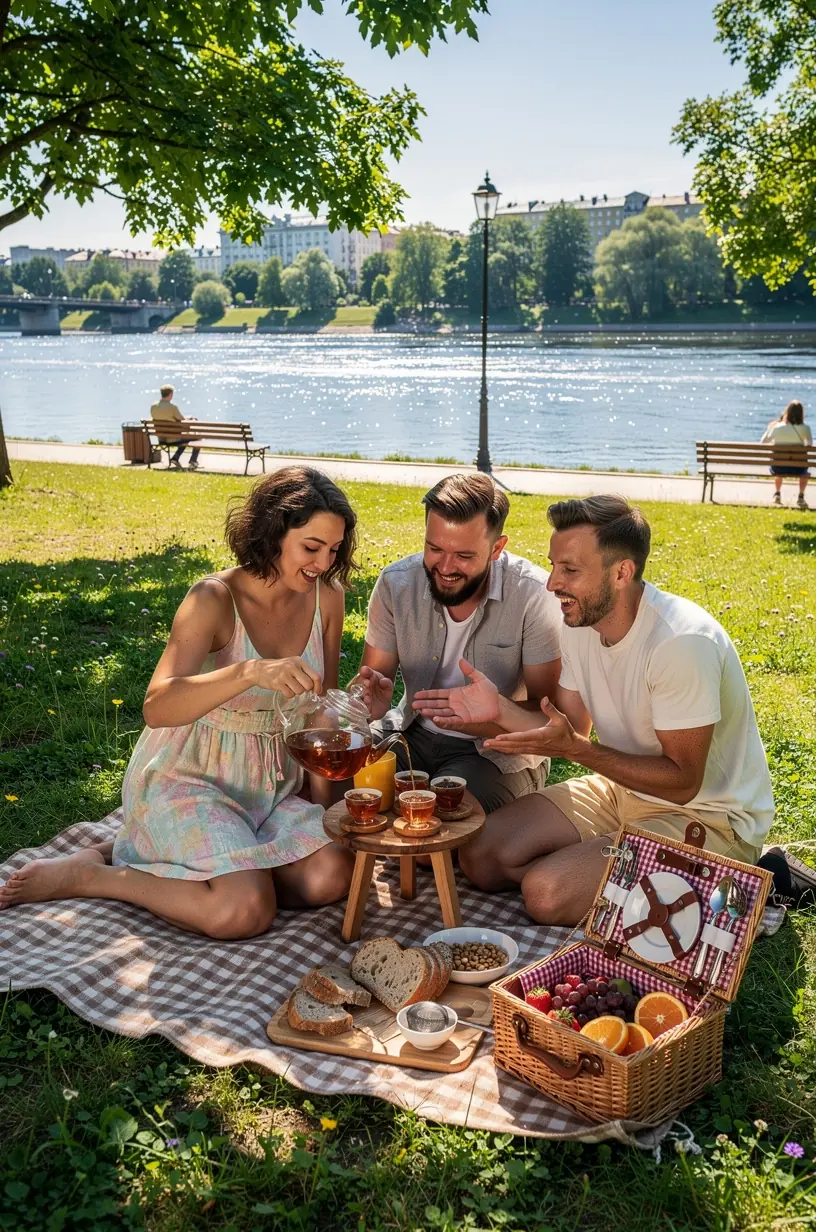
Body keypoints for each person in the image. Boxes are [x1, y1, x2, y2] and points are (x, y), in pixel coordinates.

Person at [0, 467, 356, 937]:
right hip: (190, 779)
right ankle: (96, 875)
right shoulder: (213, 598)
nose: (323, 563)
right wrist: (249, 672)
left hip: (270, 788)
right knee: (244, 911)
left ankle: (165, 857)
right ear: (272, 533)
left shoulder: (327, 597)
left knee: (334, 873)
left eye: (334, 550)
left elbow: (316, 715)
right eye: (311, 547)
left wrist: (332, 797)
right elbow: (158, 706)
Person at [419, 495, 774, 927]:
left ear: (621, 572)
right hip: (621, 790)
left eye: (570, 570)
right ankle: (620, 870)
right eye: (553, 566)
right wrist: (500, 710)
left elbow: (683, 783)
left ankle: (738, 881)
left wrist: (578, 751)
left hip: (706, 815)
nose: (552, 584)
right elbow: (569, 725)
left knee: (546, 894)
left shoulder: (682, 643)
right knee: (479, 855)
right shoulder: (581, 623)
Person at [354, 473, 563, 814]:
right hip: (409, 731)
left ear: (497, 548)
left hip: (497, 750)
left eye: (464, 555)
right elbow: (373, 685)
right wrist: (369, 700)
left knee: (442, 818)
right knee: (342, 790)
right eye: (434, 549)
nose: (446, 567)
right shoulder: (397, 584)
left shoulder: (532, 596)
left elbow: (550, 716)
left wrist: (496, 708)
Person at [761, 400, 812, 509]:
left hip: (779, 467)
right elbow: (810, 444)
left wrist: (770, 427)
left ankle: (777, 494)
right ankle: (801, 496)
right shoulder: (806, 428)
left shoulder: (777, 427)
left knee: (778, 464)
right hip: (799, 468)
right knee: (805, 471)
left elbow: (763, 442)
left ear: (787, 412)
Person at [151, 384, 202, 471]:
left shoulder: (153, 407)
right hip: (173, 439)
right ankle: (193, 461)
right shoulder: (173, 407)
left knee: (185, 437)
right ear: (170, 394)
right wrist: (190, 419)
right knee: (198, 438)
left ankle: (175, 458)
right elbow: (182, 420)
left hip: (161, 439)